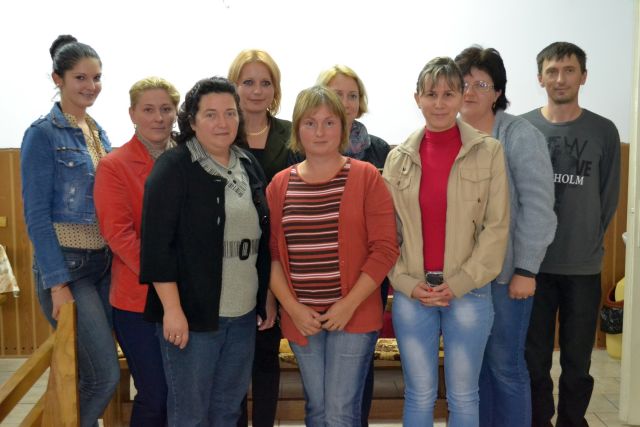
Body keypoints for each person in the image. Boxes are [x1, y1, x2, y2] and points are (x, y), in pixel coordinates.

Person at [382, 56, 510, 427]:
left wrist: (459, 283)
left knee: (464, 396)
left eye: (448, 94)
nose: (439, 103)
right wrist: (406, 283)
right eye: (431, 94)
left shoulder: (488, 152)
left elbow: (497, 227)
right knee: (418, 394)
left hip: (468, 293)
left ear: (460, 97)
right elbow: (387, 233)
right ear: (417, 98)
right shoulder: (397, 159)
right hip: (413, 294)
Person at [138, 76, 271, 426]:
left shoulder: (248, 164)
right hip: (193, 317)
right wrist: (172, 310)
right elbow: (157, 247)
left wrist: (265, 299)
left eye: (230, 113)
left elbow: (263, 240)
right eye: (210, 114)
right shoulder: (173, 168)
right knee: (190, 415)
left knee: (227, 411)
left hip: (243, 314)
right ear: (192, 121)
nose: (222, 122)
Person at [267, 85, 398, 426]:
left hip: (353, 315)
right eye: (310, 123)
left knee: (340, 412)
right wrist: (293, 308)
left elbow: (385, 249)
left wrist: (348, 305)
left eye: (329, 122)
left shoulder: (367, 177)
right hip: (303, 318)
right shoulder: (279, 185)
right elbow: (272, 257)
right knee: (317, 409)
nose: (320, 131)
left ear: (342, 127)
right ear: (297, 129)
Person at [454, 46, 557, 427]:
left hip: (506, 277)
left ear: (497, 92)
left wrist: (526, 269)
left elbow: (538, 208)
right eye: (463, 83)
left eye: (481, 84)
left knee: (506, 366)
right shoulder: (450, 134)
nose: (470, 91)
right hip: (462, 278)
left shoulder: (519, 135)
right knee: (474, 371)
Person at [20, 34, 119, 427]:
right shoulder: (42, 133)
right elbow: (36, 216)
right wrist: (57, 283)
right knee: (104, 375)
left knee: (84, 373)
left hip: (103, 265)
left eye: (97, 77)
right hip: (69, 269)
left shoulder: (97, 131)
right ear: (57, 79)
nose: (91, 86)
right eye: (80, 78)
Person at [522, 42, 621, 427]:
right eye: (552, 71)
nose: (560, 78)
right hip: (531, 268)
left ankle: (572, 422)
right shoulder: (522, 128)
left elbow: (608, 197)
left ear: (583, 76)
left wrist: (588, 241)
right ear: (540, 78)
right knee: (534, 360)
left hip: (583, 268)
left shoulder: (603, 131)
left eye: (569, 70)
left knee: (578, 363)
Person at [94, 76, 180, 426]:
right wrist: (168, 273)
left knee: (182, 394)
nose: (158, 118)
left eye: (166, 109)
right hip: (137, 301)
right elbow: (119, 235)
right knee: (156, 394)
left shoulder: (191, 158)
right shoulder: (114, 166)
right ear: (132, 114)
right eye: (148, 110)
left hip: (189, 298)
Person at [316, 64, 391, 426]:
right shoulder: (303, 151)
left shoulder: (379, 151)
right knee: (322, 392)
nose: (345, 102)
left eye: (352, 95)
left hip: (368, 277)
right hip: (317, 277)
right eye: (337, 94)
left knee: (358, 370)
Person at [228, 49, 291, 427]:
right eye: (248, 82)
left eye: (265, 83)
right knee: (233, 362)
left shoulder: (292, 133)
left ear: (275, 89)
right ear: (233, 86)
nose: (256, 90)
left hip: (280, 258)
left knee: (266, 357)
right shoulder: (220, 131)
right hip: (231, 262)